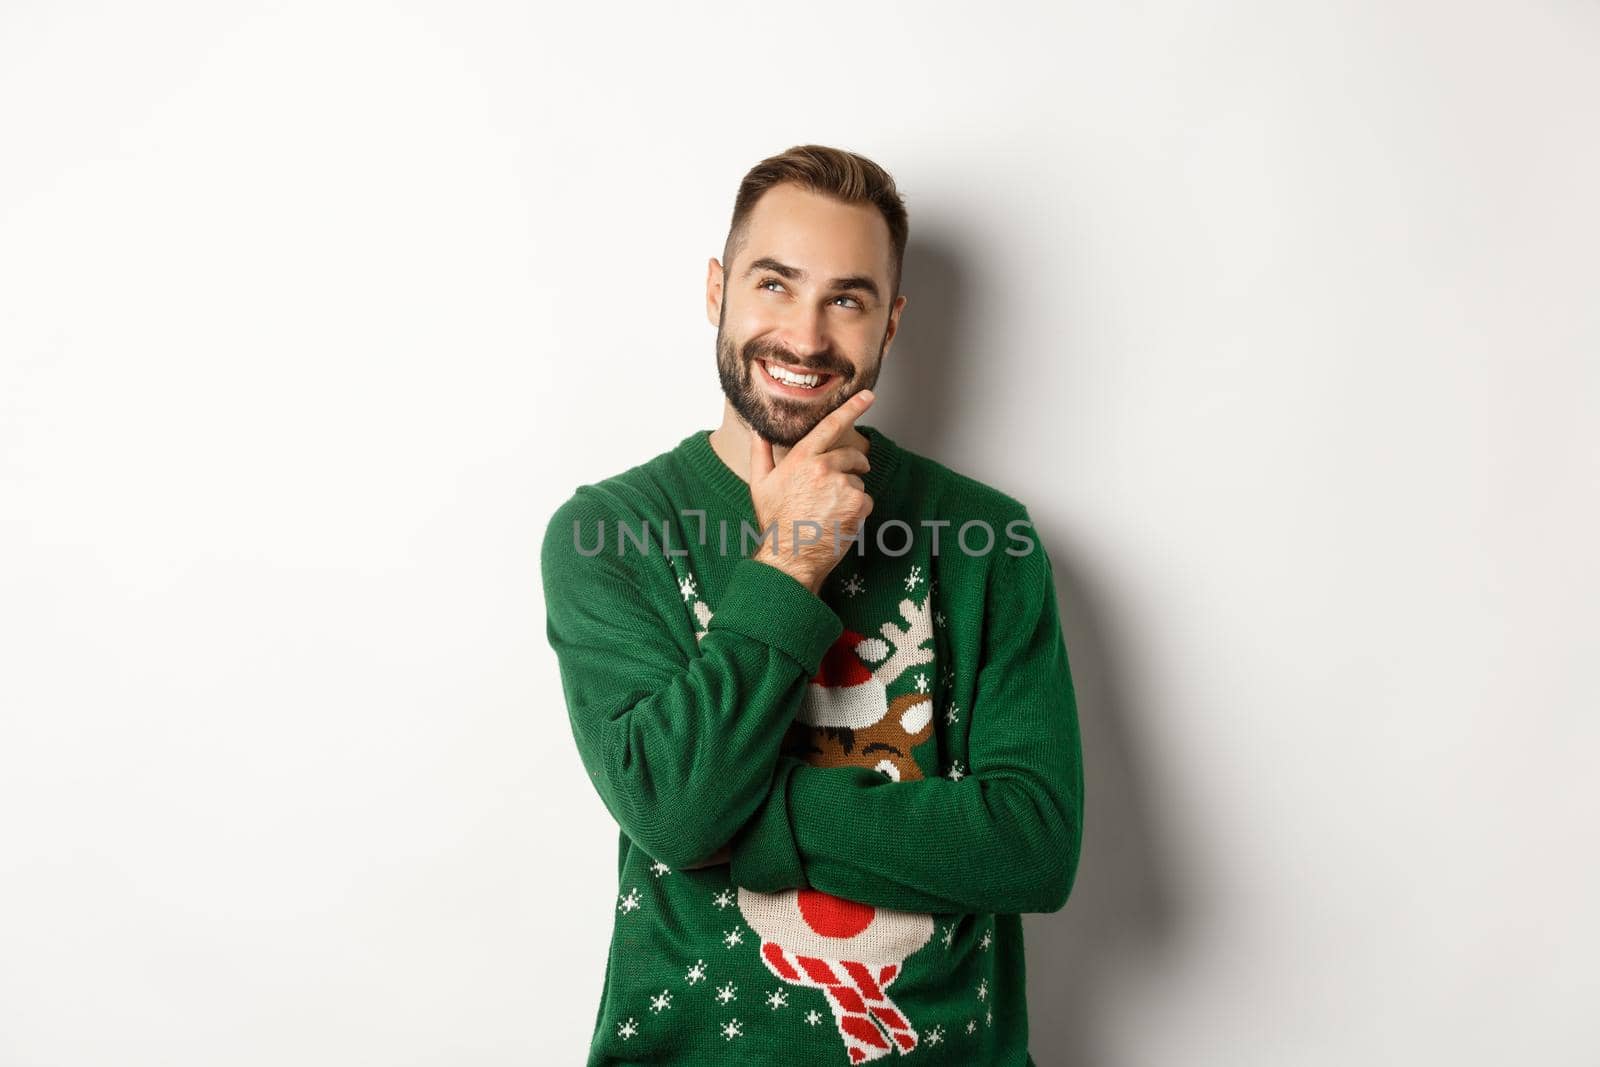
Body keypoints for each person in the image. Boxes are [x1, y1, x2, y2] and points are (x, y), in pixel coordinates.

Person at [540, 144, 1084, 1065]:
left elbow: (1033, 846)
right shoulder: (612, 533)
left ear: (891, 324)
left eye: (847, 298)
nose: (805, 336)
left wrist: (748, 818)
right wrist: (792, 559)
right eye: (774, 284)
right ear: (717, 290)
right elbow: (674, 816)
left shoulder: (990, 538)